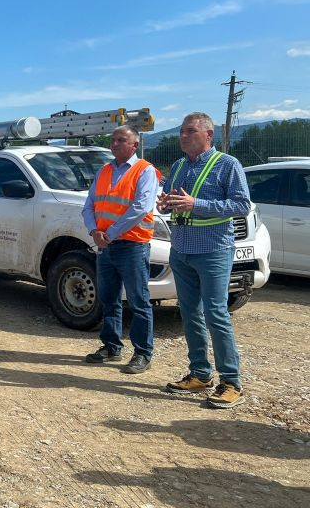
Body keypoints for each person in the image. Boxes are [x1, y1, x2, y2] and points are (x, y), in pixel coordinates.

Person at [158, 112, 251, 409]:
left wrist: (195, 204)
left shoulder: (227, 164)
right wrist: (166, 203)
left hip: (213, 250)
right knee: (190, 313)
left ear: (208, 135)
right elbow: (171, 201)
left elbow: (241, 204)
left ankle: (231, 382)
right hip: (181, 249)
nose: (183, 136)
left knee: (216, 314)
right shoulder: (179, 166)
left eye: (190, 131)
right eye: (182, 131)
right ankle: (200, 374)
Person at [81, 126, 159, 374]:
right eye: (113, 140)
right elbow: (89, 205)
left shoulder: (145, 170)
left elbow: (141, 207)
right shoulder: (104, 170)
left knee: (138, 301)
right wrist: (94, 231)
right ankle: (111, 346)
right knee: (109, 298)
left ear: (135, 145)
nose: (114, 144)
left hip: (132, 245)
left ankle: (143, 353)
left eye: (121, 140)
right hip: (105, 245)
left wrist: (109, 234)